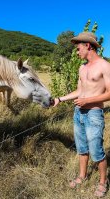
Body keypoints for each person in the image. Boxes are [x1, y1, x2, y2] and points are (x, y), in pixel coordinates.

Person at [53, 32, 109, 197]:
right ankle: (82, 176)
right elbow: (79, 91)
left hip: (93, 114)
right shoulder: (81, 67)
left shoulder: (105, 66)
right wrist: (60, 99)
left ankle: (103, 182)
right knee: (82, 149)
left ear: (88, 46)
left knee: (96, 151)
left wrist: (88, 101)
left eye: (78, 49)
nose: (76, 52)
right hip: (78, 113)